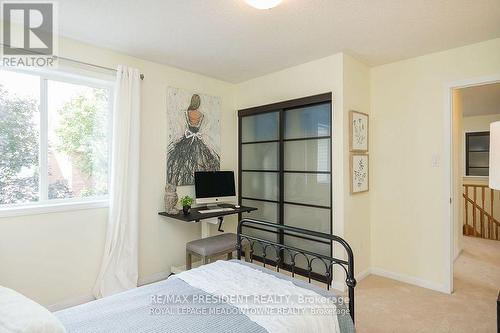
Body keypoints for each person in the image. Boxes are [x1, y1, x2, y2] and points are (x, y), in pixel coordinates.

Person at [167, 94, 220, 185]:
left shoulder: (186, 113)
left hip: (187, 140)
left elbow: (182, 127)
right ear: (198, 103)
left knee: (182, 161)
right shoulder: (201, 115)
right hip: (196, 141)